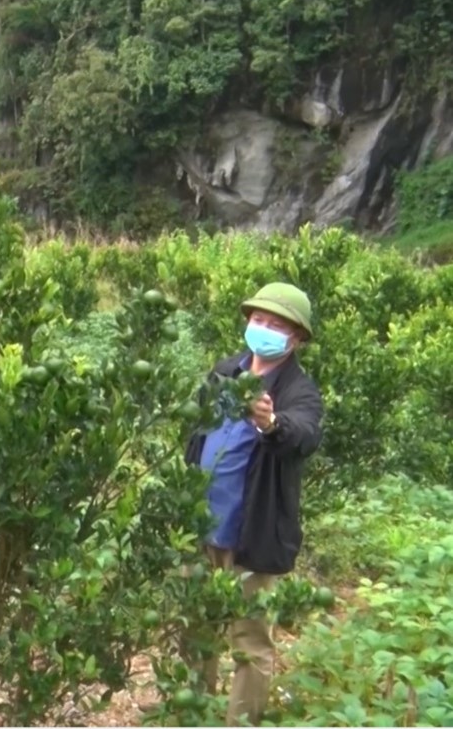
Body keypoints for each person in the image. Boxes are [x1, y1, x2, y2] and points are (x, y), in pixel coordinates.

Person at [183, 282, 324, 726]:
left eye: (276, 325)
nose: (263, 328)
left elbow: (303, 434)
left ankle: (239, 722)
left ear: (296, 338)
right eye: (258, 319)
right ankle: (194, 711)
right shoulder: (225, 371)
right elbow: (197, 430)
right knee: (196, 628)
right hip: (200, 525)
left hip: (250, 535)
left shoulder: (298, 390)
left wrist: (271, 422)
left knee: (250, 642)